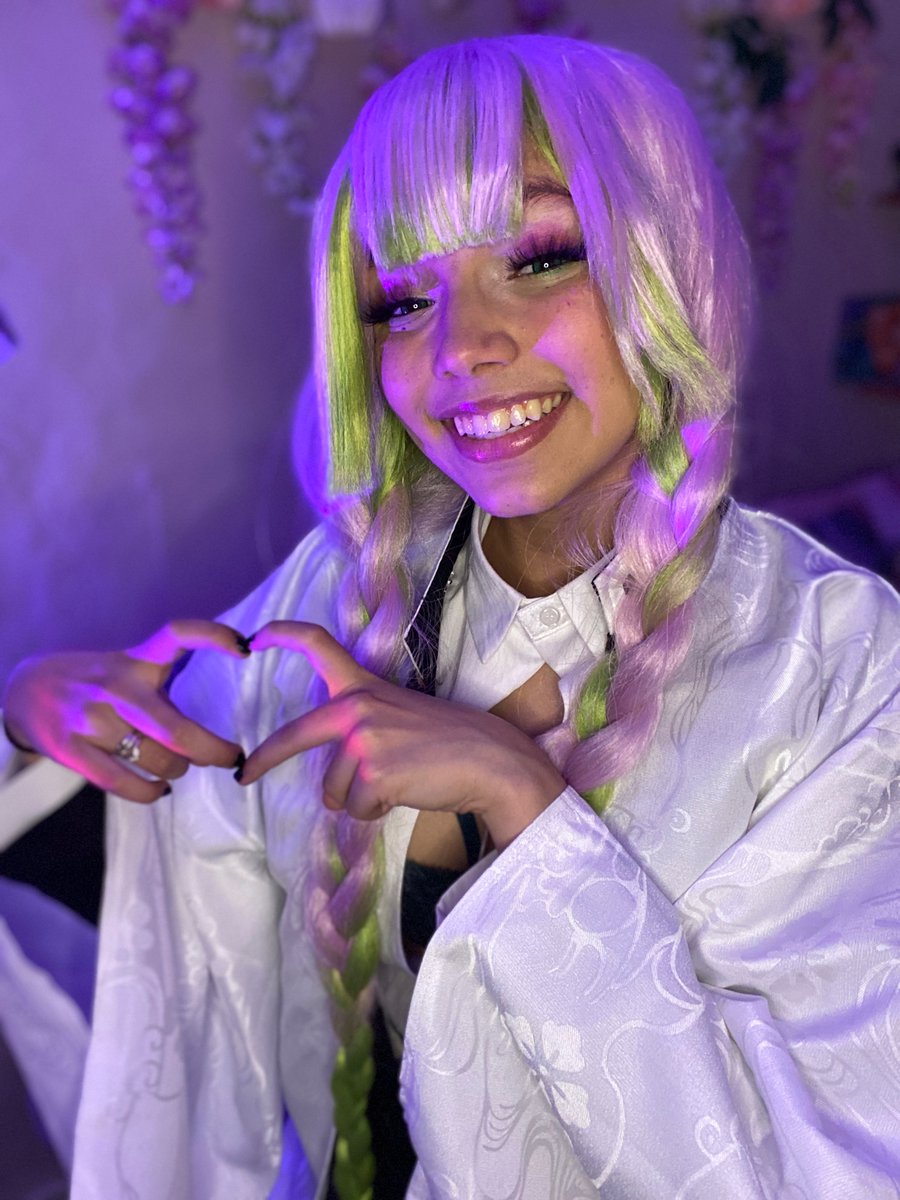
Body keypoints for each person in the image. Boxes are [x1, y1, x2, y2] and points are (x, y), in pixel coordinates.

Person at [3, 33, 899, 1200]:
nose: (463, 350)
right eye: (403, 299)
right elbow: (166, 883)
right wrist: (36, 720)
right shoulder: (338, 593)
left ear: (670, 261)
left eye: (539, 257)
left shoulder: (842, 665)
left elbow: (823, 1158)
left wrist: (523, 803)